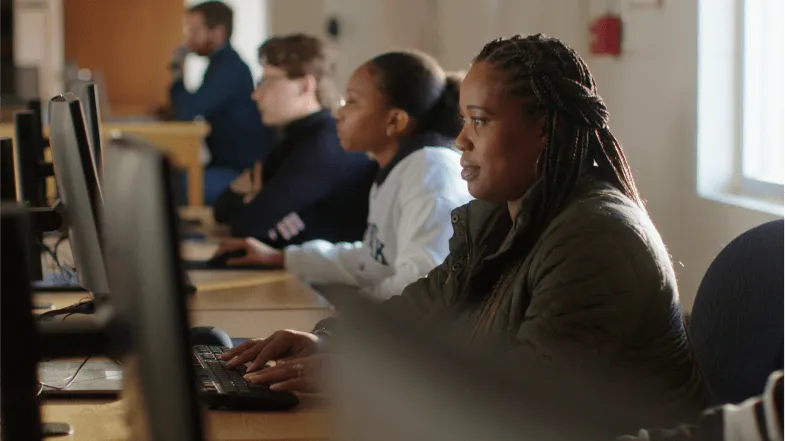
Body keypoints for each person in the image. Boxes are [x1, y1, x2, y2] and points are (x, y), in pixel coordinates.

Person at [216, 34, 708, 433]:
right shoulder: (496, 217)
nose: (461, 140)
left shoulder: (595, 239)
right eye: (462, 120)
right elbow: (423, 307)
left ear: (546, 132)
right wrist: (326, 342)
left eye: (480, 121)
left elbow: (525, 405)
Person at [213, 50, 472, 299]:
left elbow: (422, 286)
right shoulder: (402, 167)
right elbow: (371, 261)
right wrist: (279, 257)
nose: (338, 113)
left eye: (352, 102)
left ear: (395, 121)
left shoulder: (431, 171)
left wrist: (336, 327)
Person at [212, 34, 377, 247]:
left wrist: (252, 200)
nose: (256, 95)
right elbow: (221, 210)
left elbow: (248, 227)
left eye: (267, 82)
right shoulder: (294, 136)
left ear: (305, 86)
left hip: (327, 277)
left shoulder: (326, 144)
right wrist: (251, 203)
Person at [169, 1, 275, 205]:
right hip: (226, 166)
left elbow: (186, 111)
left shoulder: (229, 68)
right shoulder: (220, 64)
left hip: (241, 173)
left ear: (218, 32)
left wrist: (177, 70)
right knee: (169, 179)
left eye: (194, 30)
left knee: (168, 185)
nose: (188, 38)